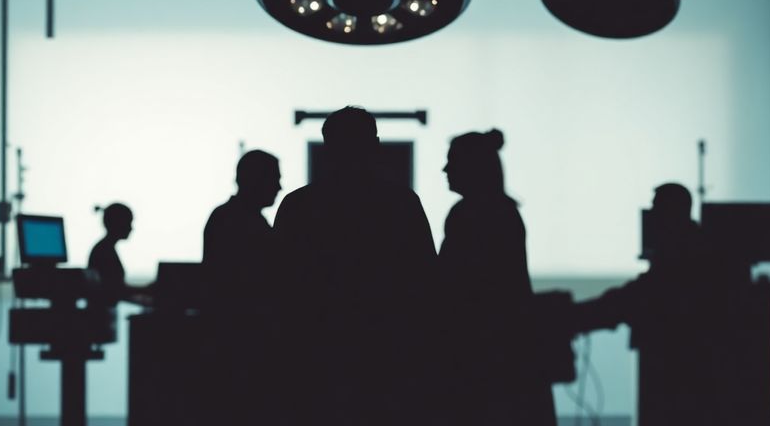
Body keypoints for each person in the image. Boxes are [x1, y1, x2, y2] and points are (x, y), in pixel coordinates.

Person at [272, 106, 438, 426]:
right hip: (387, 356)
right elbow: (426, 284)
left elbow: (279, 286)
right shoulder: (402, 204)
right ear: (374, 145)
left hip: (315, 356)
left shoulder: (297, 207)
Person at [571, 183, 736, 426]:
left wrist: (578, 316)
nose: (652, 214)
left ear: (672, 211)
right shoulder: (692, 243)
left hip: (675, 359)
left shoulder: (681, 250)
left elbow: (645, 294)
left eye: (657, 207)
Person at [437, 128, 558, 426]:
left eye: (452, 161)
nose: (445, 169)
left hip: (480, 355)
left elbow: (451, 284)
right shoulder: (503, 212)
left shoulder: (468, 215)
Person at [201, 149, 282, 424]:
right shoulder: (245, 222)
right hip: (242, 339)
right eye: (274, 179)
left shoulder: (227, 217)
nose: (279, 186)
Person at [87, 203, 151, 308]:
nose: (131, 228)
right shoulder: (104, 251)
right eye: (129, 222)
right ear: (118, 223)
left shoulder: (103, 248)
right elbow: (114, 289)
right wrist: (145, 289)